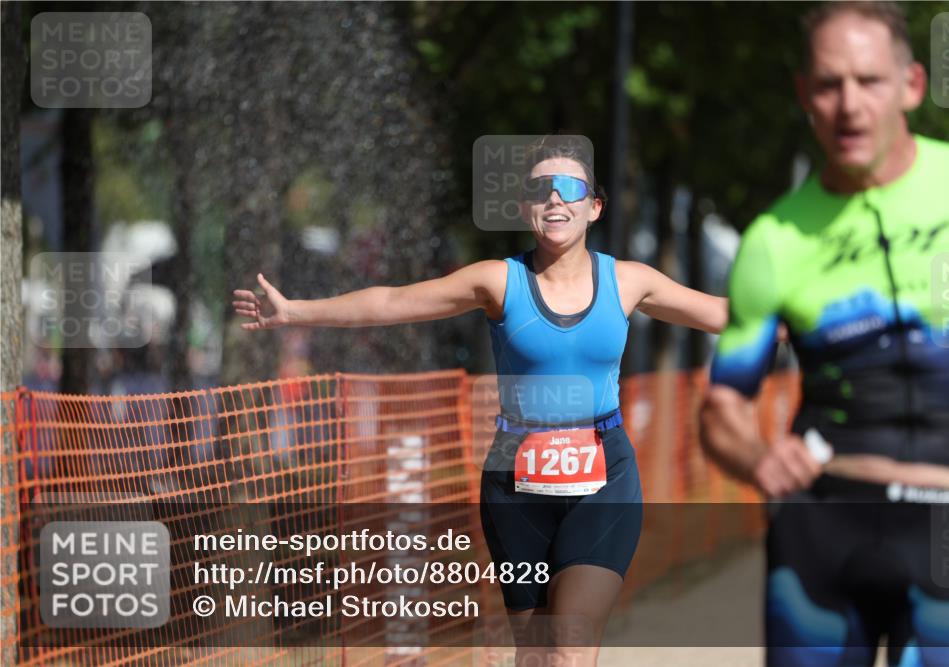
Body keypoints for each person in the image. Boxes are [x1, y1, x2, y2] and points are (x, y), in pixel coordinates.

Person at [233, 137, 729, 665]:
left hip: (604, 477)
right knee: (535, 656)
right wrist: (295, 312)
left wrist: (807, 317)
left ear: (594, 207)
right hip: (516, 483)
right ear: (524, 208)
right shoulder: (499, 280)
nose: (556, 200)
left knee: (569, 648)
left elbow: (728, 314)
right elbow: (394, 302)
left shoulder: (628, 281)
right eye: (541, 190)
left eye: (571, 188)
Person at [699, 3, 949, 666]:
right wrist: (758, 459)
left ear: (912, 86)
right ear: (804, 92)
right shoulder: (775, 237)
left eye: (869, 81)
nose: (849, 105)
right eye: (830, 84)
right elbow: (722, 406)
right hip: (823, 530)